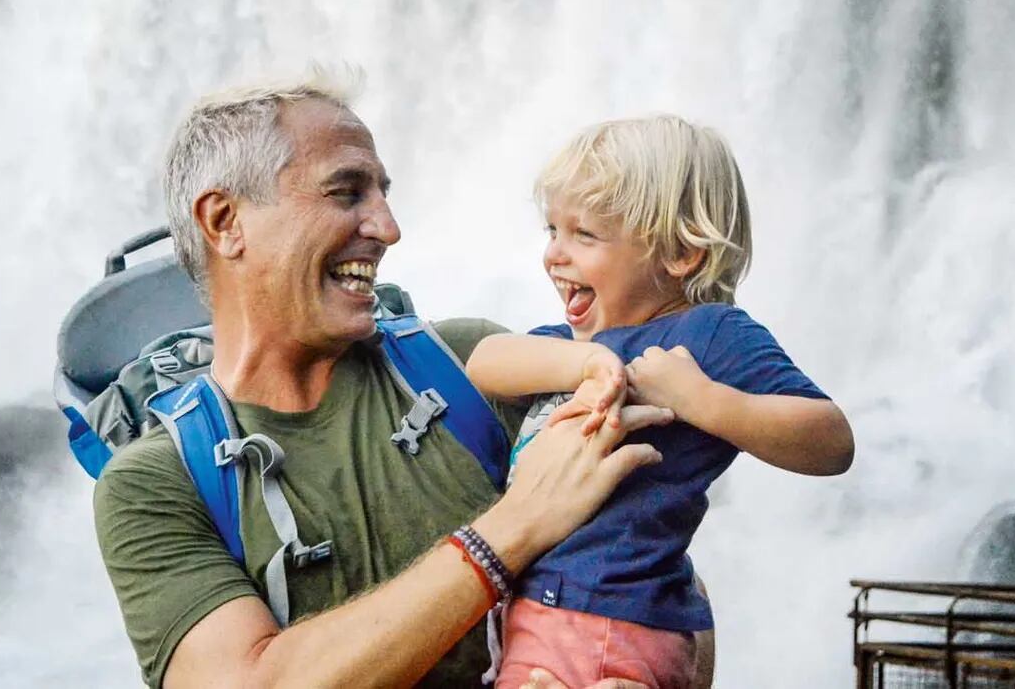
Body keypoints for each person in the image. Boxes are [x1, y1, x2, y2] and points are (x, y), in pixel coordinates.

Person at [92, 70, 672, 688]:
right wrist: (517, 525)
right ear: (226, 220)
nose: (387, 228)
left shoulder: (476, 367)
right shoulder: (153, 484)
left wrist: (648, 676)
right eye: (346, 194)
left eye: (382, 194)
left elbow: (656, 587)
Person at [465, 115, 856, 688]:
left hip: (608, 620)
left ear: (680, 253)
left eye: (584, 235)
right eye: (552, 230)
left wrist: (703, 399)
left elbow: (830, 440)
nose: (555, 254)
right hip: (540, 612)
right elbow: (486, 362)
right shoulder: (571, 344)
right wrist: (590, 362)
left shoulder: (706, 336)